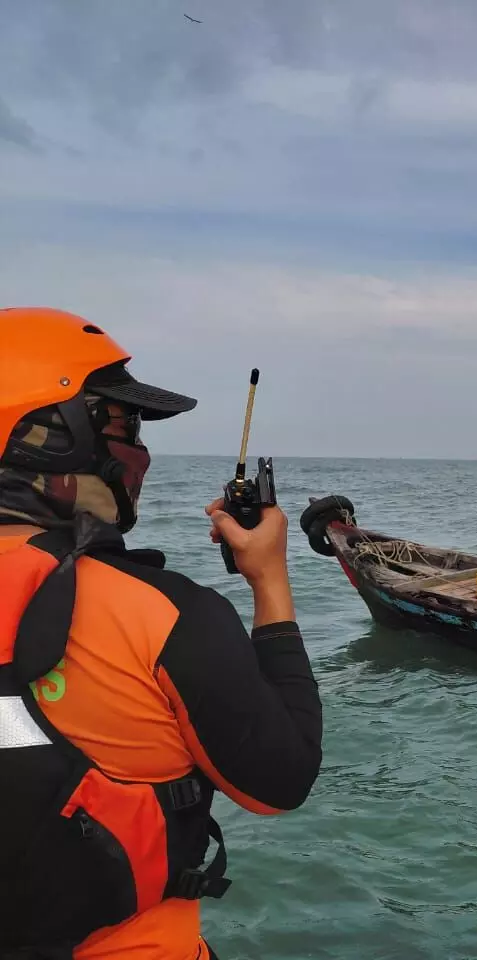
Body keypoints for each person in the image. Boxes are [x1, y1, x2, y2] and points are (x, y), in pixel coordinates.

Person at [0, 307, 322, 959]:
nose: (139, 453)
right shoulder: (164, 612)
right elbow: (279, 782)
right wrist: (269, 579)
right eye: (122, 427)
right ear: (46, 435)